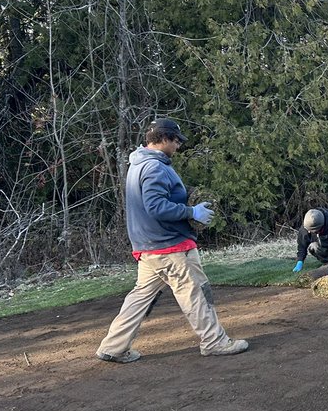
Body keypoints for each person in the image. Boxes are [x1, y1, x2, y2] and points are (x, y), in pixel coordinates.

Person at [95, 118, 248, 362]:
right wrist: (191, 212)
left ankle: (113, 347)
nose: (178, 145)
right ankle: (215, 342)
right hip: (170, 246)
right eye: (176, 140)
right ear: (163, 139)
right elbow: (156, 207)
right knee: (195, 292)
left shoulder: (138, 163)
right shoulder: (155, 167)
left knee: (140, 297)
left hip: (150, 246)